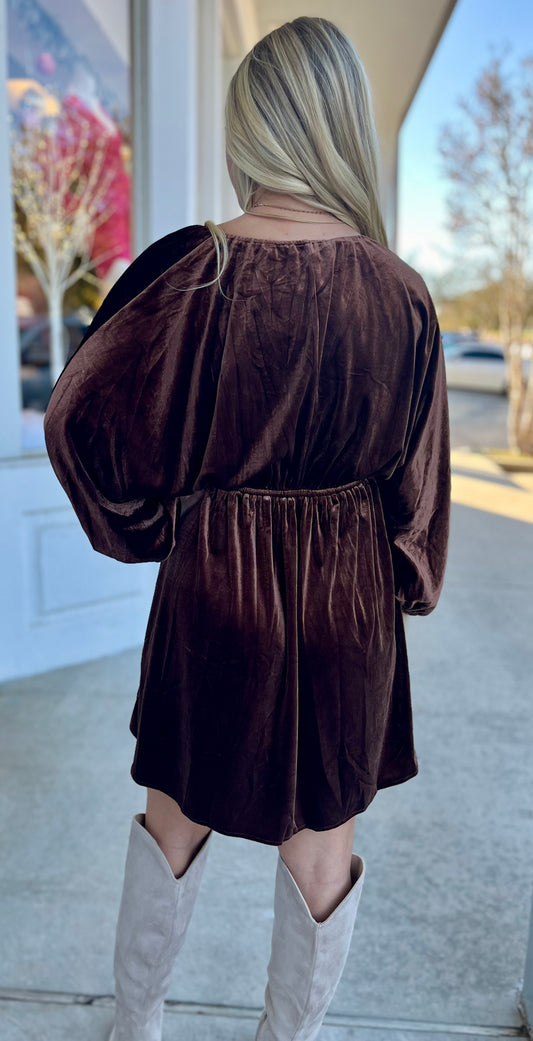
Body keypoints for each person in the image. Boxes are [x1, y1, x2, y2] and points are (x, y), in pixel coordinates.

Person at [43, 16, 450, 1041]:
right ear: (340, 126)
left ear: (251, 127)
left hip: (212, 587)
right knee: (321, 848)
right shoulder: (399, 297)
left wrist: (151, 525)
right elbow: (417, 490)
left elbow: (76, 417)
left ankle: (134, 1026)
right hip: (348, 601)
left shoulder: (192, 270)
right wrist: (395, 579)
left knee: (172, 820)